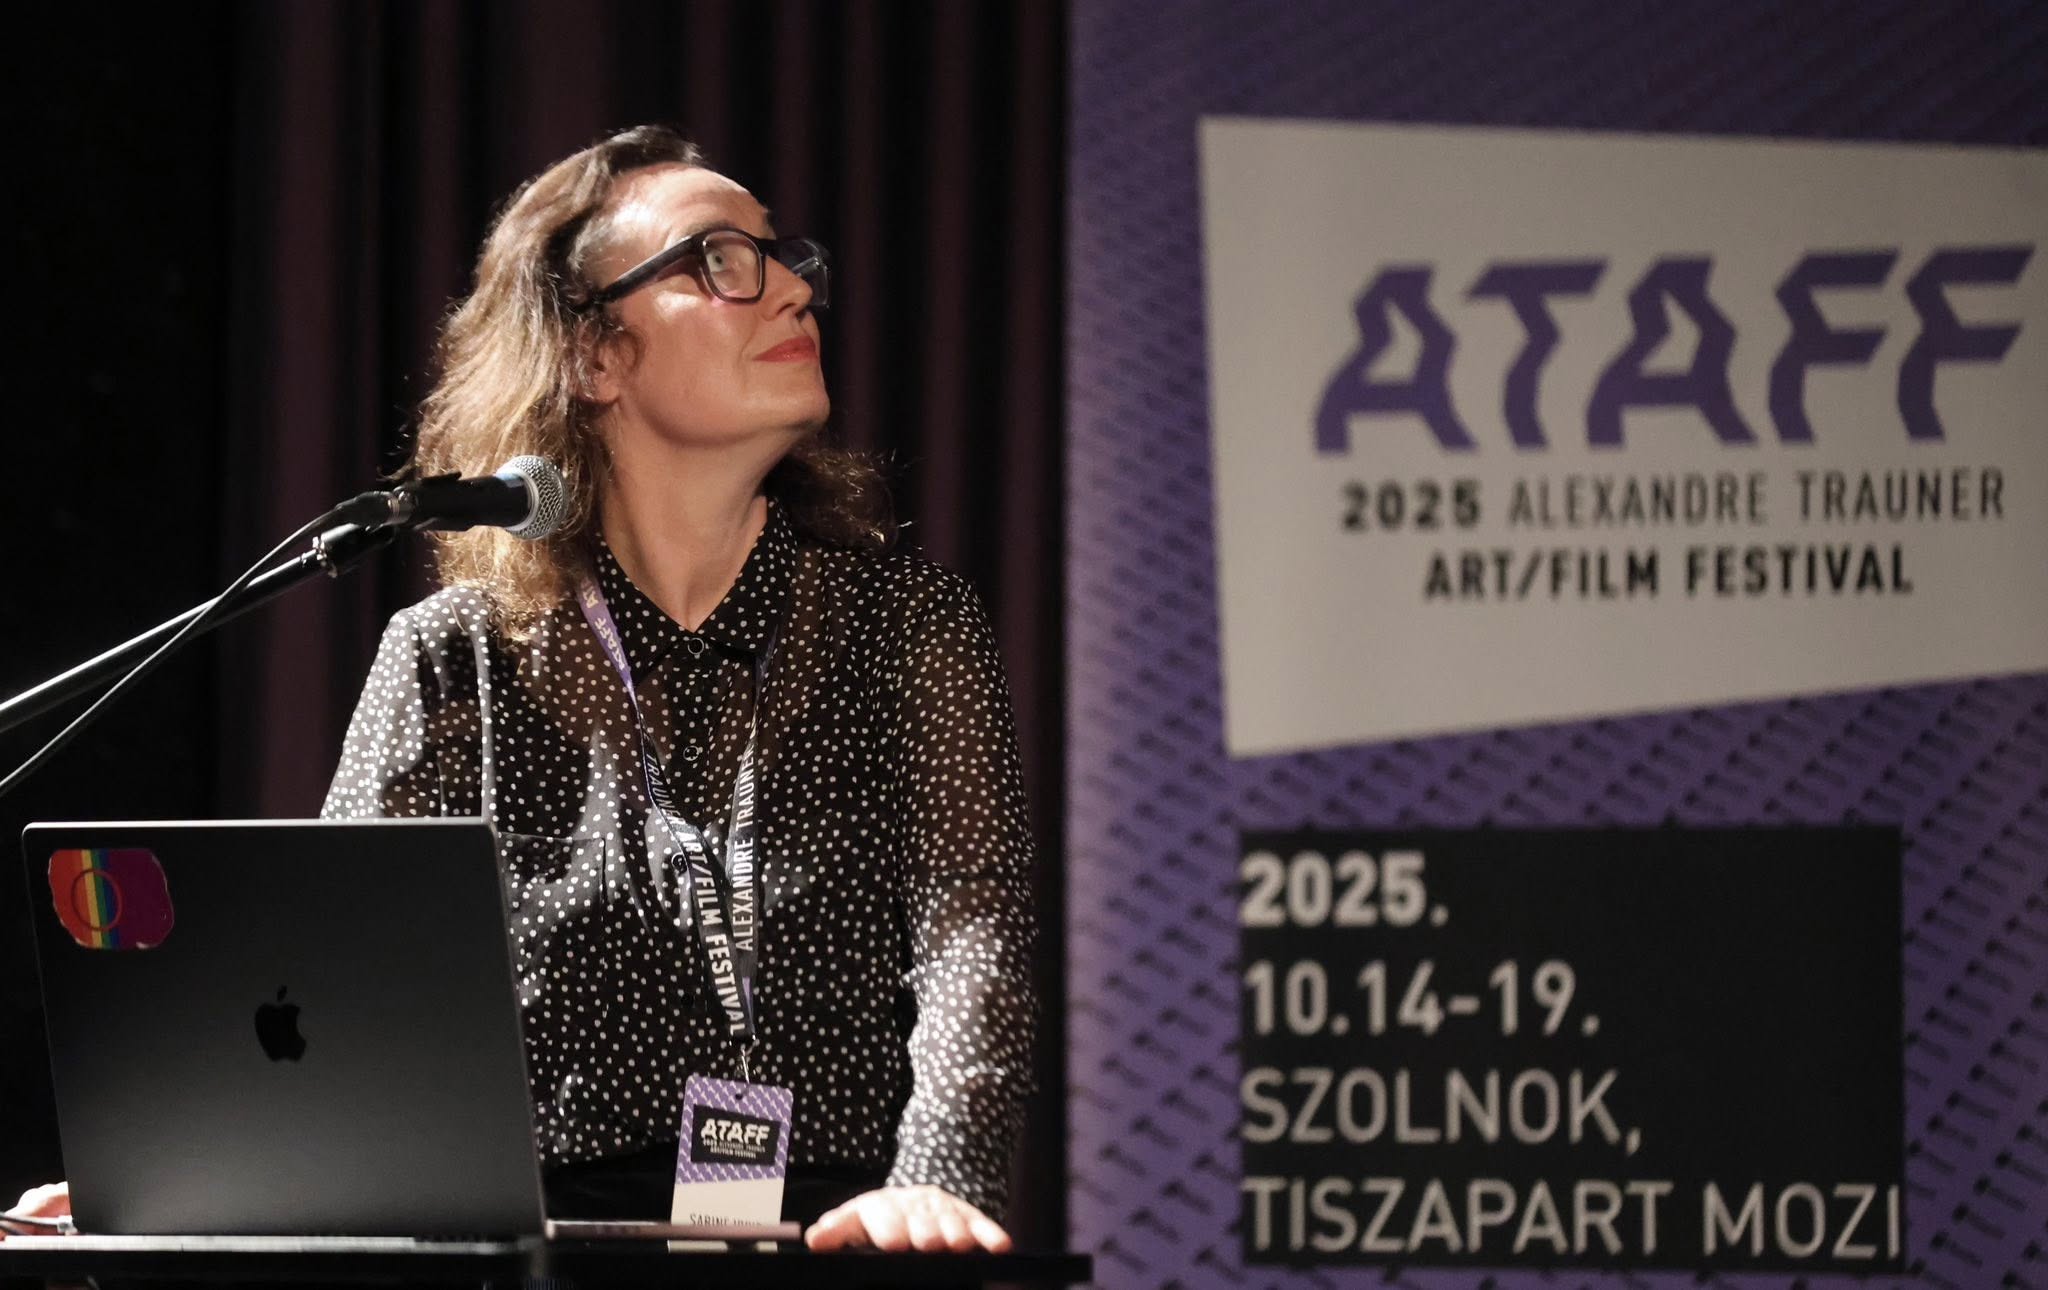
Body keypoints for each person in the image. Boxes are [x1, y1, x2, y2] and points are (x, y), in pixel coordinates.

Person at [6, 124, 1037, 1255]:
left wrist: (938, 1183)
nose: (792, 287)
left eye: (783, 256)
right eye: (719, 260)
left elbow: (972, 932)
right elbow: (331, 980)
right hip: (536, 1238)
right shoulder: (454, 652)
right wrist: (186, 1178)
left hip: (838, 1229)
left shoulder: (907, 624)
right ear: (593, 357)